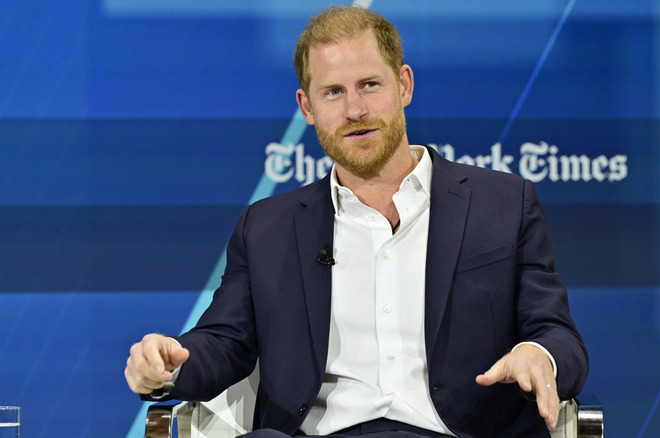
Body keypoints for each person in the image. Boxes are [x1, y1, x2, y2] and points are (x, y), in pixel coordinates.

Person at [125, 6, 588, 438]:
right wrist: (170, 365)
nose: (354, 110)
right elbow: (224, 343)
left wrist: (538, 354)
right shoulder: (265, 228)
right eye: (333, 92)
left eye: (369, 84)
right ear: (307, 108)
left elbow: (557, 334)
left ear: (403, 85)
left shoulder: (503, 203)